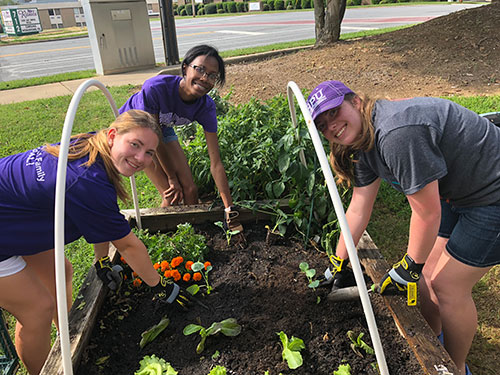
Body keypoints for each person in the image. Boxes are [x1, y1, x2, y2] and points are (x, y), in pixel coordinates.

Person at [307, 80, 500, 375]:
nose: (331, 126)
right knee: (426, 277)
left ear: (356, 101)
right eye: (323, 124)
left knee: (447, 287)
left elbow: (425, 212)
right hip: (458, 191)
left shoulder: (396, 134)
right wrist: (339, 261)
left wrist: (409, 265)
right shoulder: (364, 141)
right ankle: (434, 346)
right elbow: (359, 206)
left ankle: (456, 368)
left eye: (334, 113)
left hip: (493, 194)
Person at [0, 110, 190, 375]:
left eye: (149, 152)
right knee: (37, 309)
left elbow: (98, 222)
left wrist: (101, 259)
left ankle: (64, 342)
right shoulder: (87, 180)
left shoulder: (92, 145)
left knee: (60, 273)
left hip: (11, 215)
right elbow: (127, 245)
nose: (140, 158)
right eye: (135, 145)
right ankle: (45, 371)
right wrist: (159, 286)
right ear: (113, 136)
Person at [119, 44, 244, 245]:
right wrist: (171, 178)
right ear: (185, 67)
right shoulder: (156, 88)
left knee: (191, 190)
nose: (205, 78)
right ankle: (163, 243)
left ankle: (191, 236)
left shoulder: (206, 107)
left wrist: (230, 209)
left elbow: (216, 163)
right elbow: (153, 138)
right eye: (200, 69)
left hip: (162, 127)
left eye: (212, 76)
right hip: (136, 132)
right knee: (172, 194)